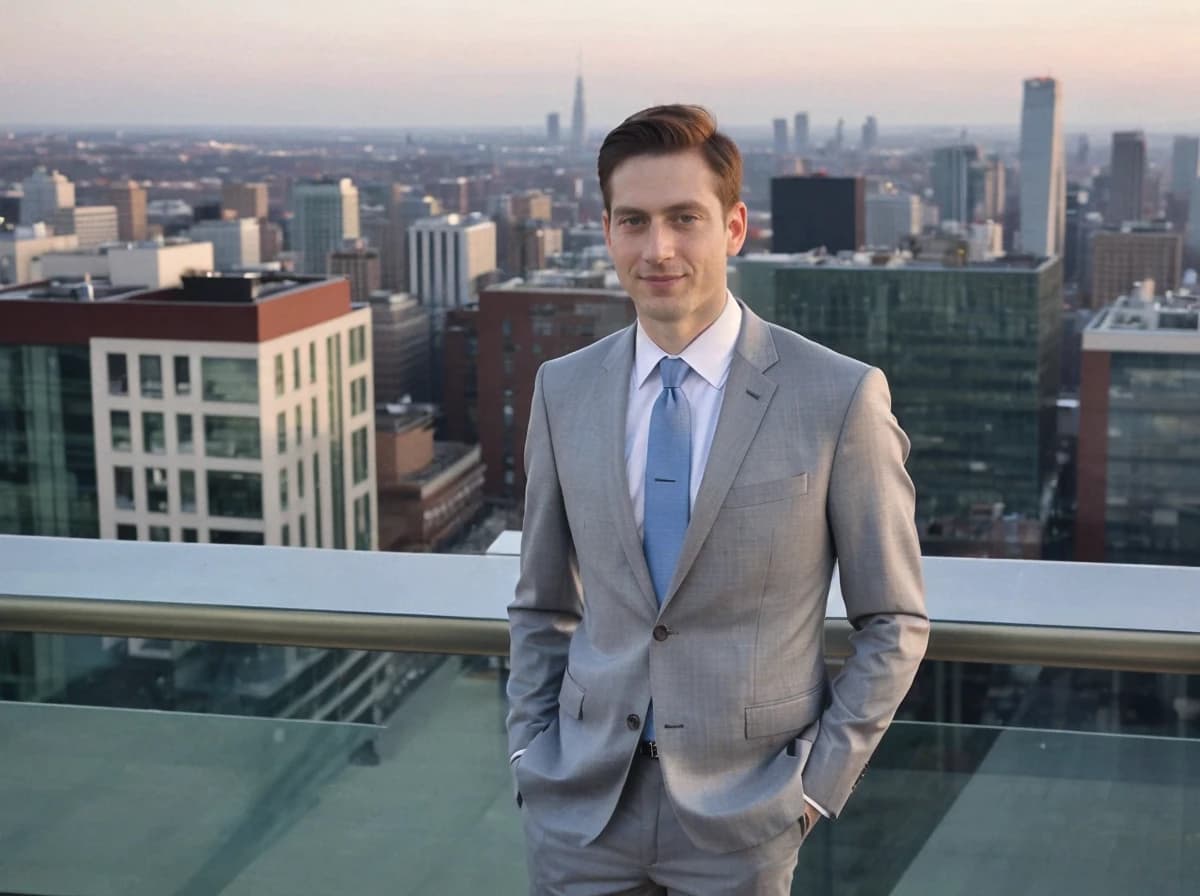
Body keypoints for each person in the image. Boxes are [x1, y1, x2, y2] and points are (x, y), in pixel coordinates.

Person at [506, 104, 929, 895]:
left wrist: (812, 790)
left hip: (746, 823)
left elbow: (894, 620)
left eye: (684, 219)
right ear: (607, 232)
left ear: (734, 228)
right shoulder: (562, 390)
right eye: (633, 220)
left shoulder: (837, 397)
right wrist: (529, 753)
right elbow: (540, 604)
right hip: (578, 814)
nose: (657, 247)